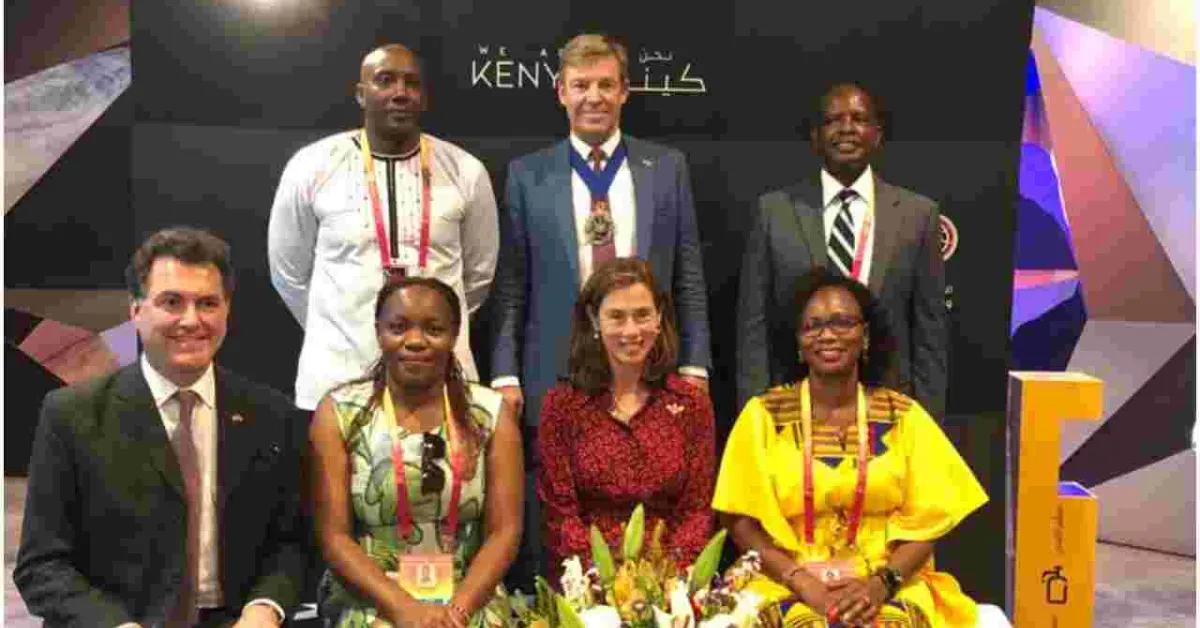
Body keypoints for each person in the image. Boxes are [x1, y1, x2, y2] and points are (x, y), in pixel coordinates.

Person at [490, 33, 712, 588]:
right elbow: (512, 283)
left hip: (647, 365)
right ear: (560, 92)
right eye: (581, 85)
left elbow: (688, 274)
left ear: (625, 91)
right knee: (559, 517)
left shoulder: (667, 167)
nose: (594, 96)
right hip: (555, 371)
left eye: (606, 85)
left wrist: (695, 364)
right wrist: (505, 372)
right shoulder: (527, 174)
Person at [15, 227, 309, 627]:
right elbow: (42, 566)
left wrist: (265, 609)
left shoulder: (272, 415)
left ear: (227, 311)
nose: (191, 320)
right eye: (172, 302)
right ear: (135, 310)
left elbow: (292, 544)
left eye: (207, 303)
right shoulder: (72, 415)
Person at [715, 267, 1009, 627]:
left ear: (865, 336)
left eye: (842, 323)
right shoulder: (763, 415)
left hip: (886, 581)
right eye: (813, 326)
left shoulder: (902, 415)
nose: (827, 335)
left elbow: (930, 524)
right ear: (798, 342)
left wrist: (880, 585)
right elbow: (739, 520)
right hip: (784, 580)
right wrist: (803, 583)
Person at [269, 43, 499, 412]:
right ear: (361, 94)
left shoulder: (465, 170)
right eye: (385, 80)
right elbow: (288, 275)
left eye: (412, 83)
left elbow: (479, 276)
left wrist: (431, 329)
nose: (400, 92)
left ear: (424, 97)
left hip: (440, 379)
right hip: (338, 378)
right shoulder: (312, 166)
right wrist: (342, 328)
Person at [308, 276, 523, 627]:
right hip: (373, 595)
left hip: (468, 593)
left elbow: (505, 532)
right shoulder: (340, 413)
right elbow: (334, 537)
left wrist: (456, 613)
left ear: (455, 335)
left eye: (433, 329)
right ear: (378, 332)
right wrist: (405, 609)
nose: (415, 341)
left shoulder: (490, 413)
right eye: (398, 327)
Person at [736, 81, 947, 419]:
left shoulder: (918, 216)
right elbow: (753, 328)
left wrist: (928, 422)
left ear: (877, 135)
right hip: (793, 407)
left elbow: (929, 334)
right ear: (815, 137)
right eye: (833, 120)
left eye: (859, 119)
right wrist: (755, 414)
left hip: (891, 409)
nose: (847, 128)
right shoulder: (773, 212)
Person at [537, 258, 715, 582]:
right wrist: (608, 580)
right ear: (594, 319)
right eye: (616, 316)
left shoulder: (691, 404)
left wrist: (661, 582)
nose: (631, 331)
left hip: (671, 581)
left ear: (659, 317)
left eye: (642, 315)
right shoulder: (562, 406)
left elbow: (696, 513)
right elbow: (560, 517)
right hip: (587, 583)